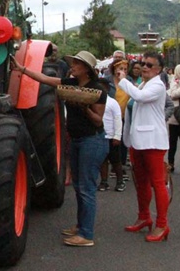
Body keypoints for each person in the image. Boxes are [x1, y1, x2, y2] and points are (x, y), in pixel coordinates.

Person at [11, 51, 108, 247]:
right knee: (79, 186)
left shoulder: (97, 90)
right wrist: (22, 69)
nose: (72, 66)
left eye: (77, 64)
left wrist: (84, 107)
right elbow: (46, 79)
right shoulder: (70, 83)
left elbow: (98, 120)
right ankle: (81, 226)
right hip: (78, 140)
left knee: (87, 188)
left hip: (92, 140)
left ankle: (86, 234)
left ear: (86, 70)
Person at [114, 51, 170, 243]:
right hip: (138, 140)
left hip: (153, 141)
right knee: (141, 183)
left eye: (149, 65)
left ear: (159, 69)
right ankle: (144, 216)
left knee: (157, 183)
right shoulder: (143, 83)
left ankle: (162, 224)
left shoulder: (158, 86)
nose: (144, 67)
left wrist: (123, 80)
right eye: (142, 63)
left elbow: (139, 97)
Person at [98, 90, 125, 192]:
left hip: (112, 137)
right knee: (103, 160)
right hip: (101, 136)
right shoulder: (95, 101)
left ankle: (120, 181)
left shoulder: (112, 102)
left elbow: (118, 119)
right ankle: (104, 181)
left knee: (116, 161)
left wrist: (117, 136)